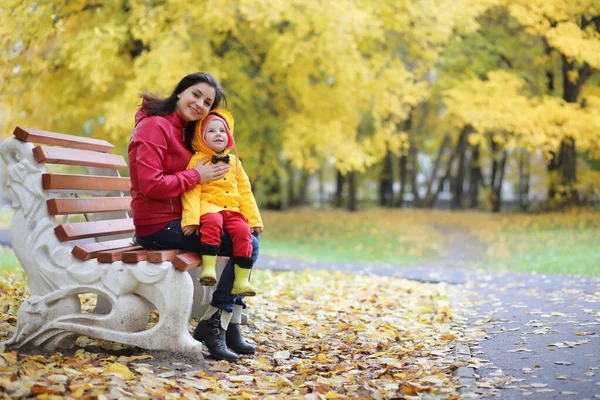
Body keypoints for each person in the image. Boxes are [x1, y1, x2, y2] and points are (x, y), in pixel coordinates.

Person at [128, 72, 258, 362]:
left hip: (181, 220)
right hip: (157, 226)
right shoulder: (154, 127)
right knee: (247, 245)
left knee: (247, 237)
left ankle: (227, 323)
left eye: (207, 101)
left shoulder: (185, 132)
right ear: (180, 92)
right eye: (196, 95)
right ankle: (217, 324)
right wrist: (196, 175)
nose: (200, 104)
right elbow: (150, 185)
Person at [181, 109, 263, 298]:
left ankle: (241, 280)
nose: (218, 134)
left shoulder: (234, 162)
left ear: (229, 136)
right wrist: (191, 220)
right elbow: (191, 191)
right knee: (212, 224)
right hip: (209, 207)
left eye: (222, 130)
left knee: (244, 232)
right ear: (201, 138)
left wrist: (253, 220)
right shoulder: (198, 160)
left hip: (233, 210)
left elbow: (245, 191)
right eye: (211, 131)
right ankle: (208, 268)